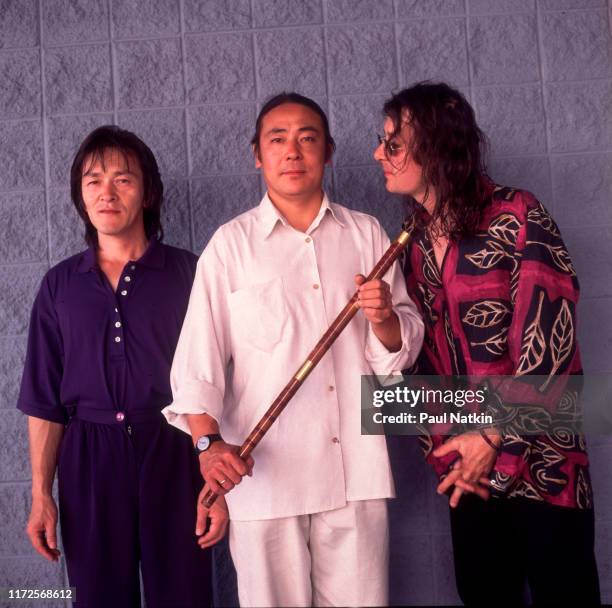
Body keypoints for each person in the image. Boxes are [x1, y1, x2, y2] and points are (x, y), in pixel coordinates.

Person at [163, 92, 424, 608]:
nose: (292, 151)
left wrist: (385, 318)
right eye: (276, 139)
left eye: (307, 138)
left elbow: (397, 356)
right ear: (256, 154)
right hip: (263, 476)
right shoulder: (230, 246)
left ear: (328, 151)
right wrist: (207, 446)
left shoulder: (367, 233)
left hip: (356, 469)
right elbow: (197, 364)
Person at [374, 82, 600, 605]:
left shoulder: (518, 214)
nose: (378, 154)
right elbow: (416, 365)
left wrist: (492, 439)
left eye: (392, 142)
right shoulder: (408, 244)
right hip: (467, 474)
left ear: (435, 144)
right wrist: (453, 453)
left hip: (548, 466)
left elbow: (550, 346)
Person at [17, 126, 223, 608]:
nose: (106, 192)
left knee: (185, 596)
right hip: (88, 456)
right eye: (93, 181)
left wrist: (216, 480)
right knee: (97, 597)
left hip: (175, 448)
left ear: (148, 192)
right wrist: (41, 495)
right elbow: (44, 402)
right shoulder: (59, 286)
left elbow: (218, 382)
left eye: (122, 179)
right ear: (80, 195)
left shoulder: (191, 274)